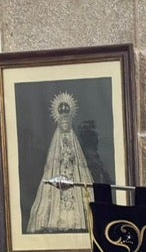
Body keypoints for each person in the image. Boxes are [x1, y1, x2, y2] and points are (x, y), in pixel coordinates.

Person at [26, 92, 97, 233]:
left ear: (70, 123)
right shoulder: (56, 142)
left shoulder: (73, 141)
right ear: (59, 123)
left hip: (72, 173)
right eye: (62, 123)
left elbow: (77, 159)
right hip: (59, 173)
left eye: (67, 123)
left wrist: (71, 160)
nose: (65, 125)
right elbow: (53, 161)